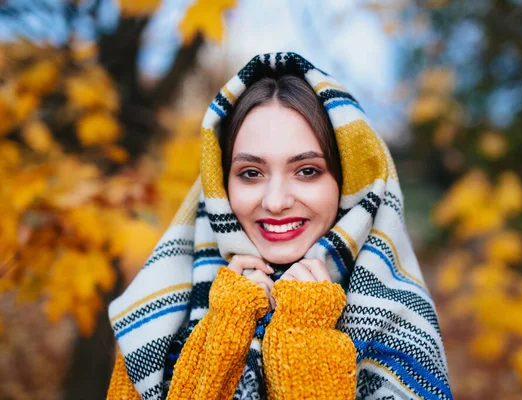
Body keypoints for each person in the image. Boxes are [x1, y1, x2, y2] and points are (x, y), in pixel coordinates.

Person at [106, 52, 452, 400]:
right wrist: (226, 328)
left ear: (347, 185)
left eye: (307, 171)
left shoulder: (402, 326)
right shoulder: (155, 320)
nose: (274, 202)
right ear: (221, 187)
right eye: (250, 173)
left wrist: (305, 340)